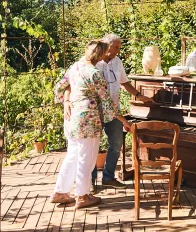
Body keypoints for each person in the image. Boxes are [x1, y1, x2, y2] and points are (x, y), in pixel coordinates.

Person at [65, 33, 153, 188]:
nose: (119, 50)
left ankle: (108, 177)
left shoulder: (117, 61)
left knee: (116, 143)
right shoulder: (90, 63)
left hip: (114, 112)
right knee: (92, 148)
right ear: (106, 46)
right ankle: (89, 182)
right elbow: (68, 83)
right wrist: (66, 101)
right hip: (95, 112)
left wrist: (140, 96)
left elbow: (124, 83)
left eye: (119, 47)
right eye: (116, 47)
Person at [51, 40, 129, 209]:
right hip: (88, 119)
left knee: (73, 155)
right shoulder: (94, 73)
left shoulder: (75, 67)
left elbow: (59, 87)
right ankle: (83, 195)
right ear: (100, 56)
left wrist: (66, 102)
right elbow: (106, 101)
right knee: (87, 158)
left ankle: (60, 192)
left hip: (71, 117)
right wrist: (123, 120)